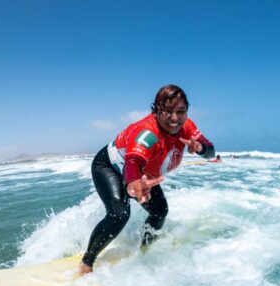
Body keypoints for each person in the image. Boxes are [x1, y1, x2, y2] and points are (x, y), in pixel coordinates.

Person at [79, 85, 215, 275]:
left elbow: (211, 151)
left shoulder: (187, 127)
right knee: (119, 214)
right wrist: (134, 182)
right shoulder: (148, 132)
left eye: (180, 112)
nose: (175, 118)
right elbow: (133, 160)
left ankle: (144, 249)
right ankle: (87, 263)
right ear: (157, 111)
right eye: (167, 112)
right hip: (109, 166)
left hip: (144, 175)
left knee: (160, 211)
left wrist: (200, 148)